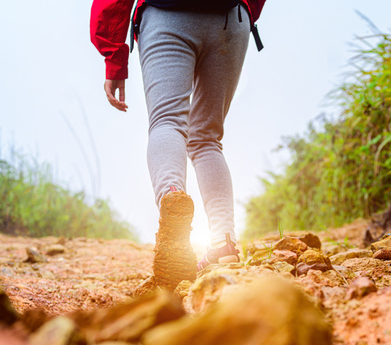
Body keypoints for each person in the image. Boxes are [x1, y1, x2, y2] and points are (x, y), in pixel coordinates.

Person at [90, 0, 266, 290]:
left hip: (166, 16)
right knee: (208, 138)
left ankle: (173, 197)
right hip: (231, 19)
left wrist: (114, 56)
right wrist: (244, 10)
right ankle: (224, 242)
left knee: (167, 122)